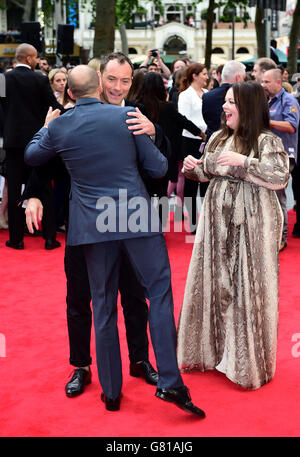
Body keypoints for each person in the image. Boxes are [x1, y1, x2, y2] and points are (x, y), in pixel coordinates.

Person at [24, 65, 205, 417]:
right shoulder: (127, 117)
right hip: (134, 216)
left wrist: (45, 127)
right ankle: (170, 381)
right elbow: (157, 169)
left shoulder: (60, 124)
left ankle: (111, 392)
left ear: (71, 93)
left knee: (103, 304)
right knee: (159, 293)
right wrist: (148, 136)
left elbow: (32, 155)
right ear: (99, 83)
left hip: (92, 223)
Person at [177, 81, 290, 390]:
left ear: (249, 107)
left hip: (253, 226)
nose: (224, 107)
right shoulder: (217, 136)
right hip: (216, 224)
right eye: (225, 101)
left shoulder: (267, 140)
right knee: (215, 283)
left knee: (247, 289)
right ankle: (215, 354)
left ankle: (246, 364)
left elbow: (280, 176)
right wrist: (193, 168)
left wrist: (244, 163)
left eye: (231, 102)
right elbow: (205, 172)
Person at [0, 43, 62, 250]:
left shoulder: (3, 79)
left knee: (16, 191)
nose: (37, 61)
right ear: (28, 58)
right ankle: (50, 238)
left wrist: (6, 130)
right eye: (35, 57)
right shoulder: (40, 79)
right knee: (44, 189)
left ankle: (16, 239)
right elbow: (54, 107)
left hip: (13, 144)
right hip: (38, 144)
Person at [135, 72, 206, 224]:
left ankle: (141, 222)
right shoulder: (167, 107)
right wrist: (200, 133)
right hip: (164, 155)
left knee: (143, 191)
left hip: (140, 155)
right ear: (161, 88)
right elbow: (183, 121)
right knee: (162, 191)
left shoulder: (136, 107)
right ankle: (161, 224)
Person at [261, 68, 300, 251]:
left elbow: (291, 126)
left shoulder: (289, 101)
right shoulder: (266, 101)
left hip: (284, 155)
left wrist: (265, 121)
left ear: (278, 82)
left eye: (267, 82)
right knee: (268, 196)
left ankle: (281, 238)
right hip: (268, 154)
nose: (263, 85)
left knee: (278, 197)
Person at [178, 63, 208, 233]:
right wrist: (199, 133)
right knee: (190, 182)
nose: (207, 77)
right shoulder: (185, 95)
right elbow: (183, 119)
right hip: (190, 141)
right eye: (204, 74)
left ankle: (206, 218)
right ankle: (193, 221)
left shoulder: (208, 94)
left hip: (207, 141)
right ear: (195, 75)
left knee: (206, 180)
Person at [202, 60, 246, 142]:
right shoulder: (243, 96)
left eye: (231, 102)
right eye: (243, 78)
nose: (225, 106)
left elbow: (207, 119)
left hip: (212, 142)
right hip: (236, 142)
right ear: (238, 78)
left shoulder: (207, 96)